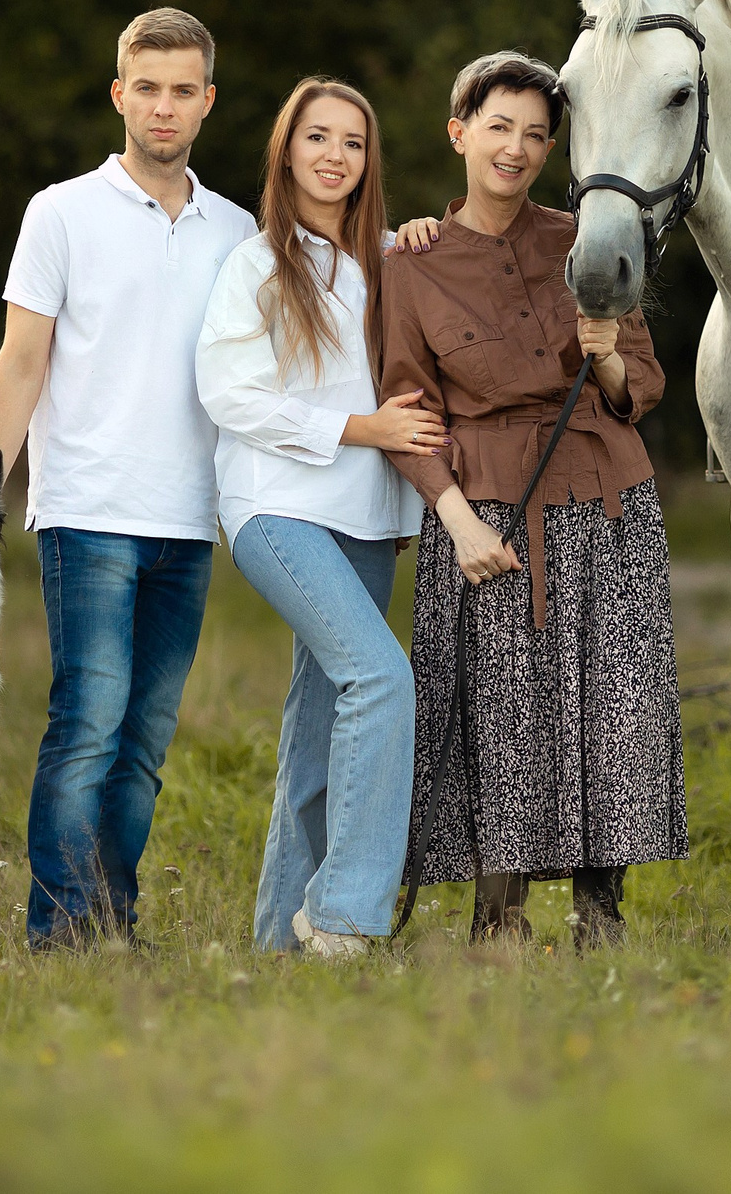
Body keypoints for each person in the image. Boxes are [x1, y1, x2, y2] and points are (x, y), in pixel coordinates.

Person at [375, 51, 688, 948]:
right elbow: (410, 410)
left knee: (615, 705)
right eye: (499, 127)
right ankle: (497, 923)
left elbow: (645, 383)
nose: (516, 149)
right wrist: (456, 516)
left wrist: (607, 353)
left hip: (609, 498)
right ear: (459, 131)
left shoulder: (586, 239)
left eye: (537, 134)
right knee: (501, 718)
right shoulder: (412, 265)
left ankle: (603, 918)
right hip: (490, 509)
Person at [0, 7, 256, 951]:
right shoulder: (61, 211)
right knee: (87, 725)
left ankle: (112, 922)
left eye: (184, 90)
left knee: (142, 744)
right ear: (118, 94)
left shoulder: (237, 229)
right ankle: (58, 933)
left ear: (208, 101)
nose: (165, 107)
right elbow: (20, 364)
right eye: (148, 87)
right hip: (88, 508)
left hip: (189, 517)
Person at [195, 79, 442, 957]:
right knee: (382, 679)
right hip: (276, 509)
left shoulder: (390, 260)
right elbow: (229, 393)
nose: (335, 155)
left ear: (370, 158)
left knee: (317, 724)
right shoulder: (258, 263)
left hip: (367, 521)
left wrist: (407, 493)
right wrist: (358, 428)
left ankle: (277, 941)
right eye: (317, 137)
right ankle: (342, 915)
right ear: (287, 150)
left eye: (354, 141)